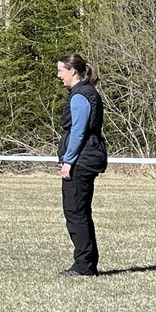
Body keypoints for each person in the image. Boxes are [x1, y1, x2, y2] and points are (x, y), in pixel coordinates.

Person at [55, 52, 108, 277]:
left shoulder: (80, 95)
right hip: (86, 158)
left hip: (81, 161)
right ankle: (87, 264)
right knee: (81, 213)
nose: (59, 75)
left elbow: (78, 131)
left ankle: (84, 266)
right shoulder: (86, 92)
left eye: (61, 71)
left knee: (75, 213)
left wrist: (68, 161)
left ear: (72, 71)